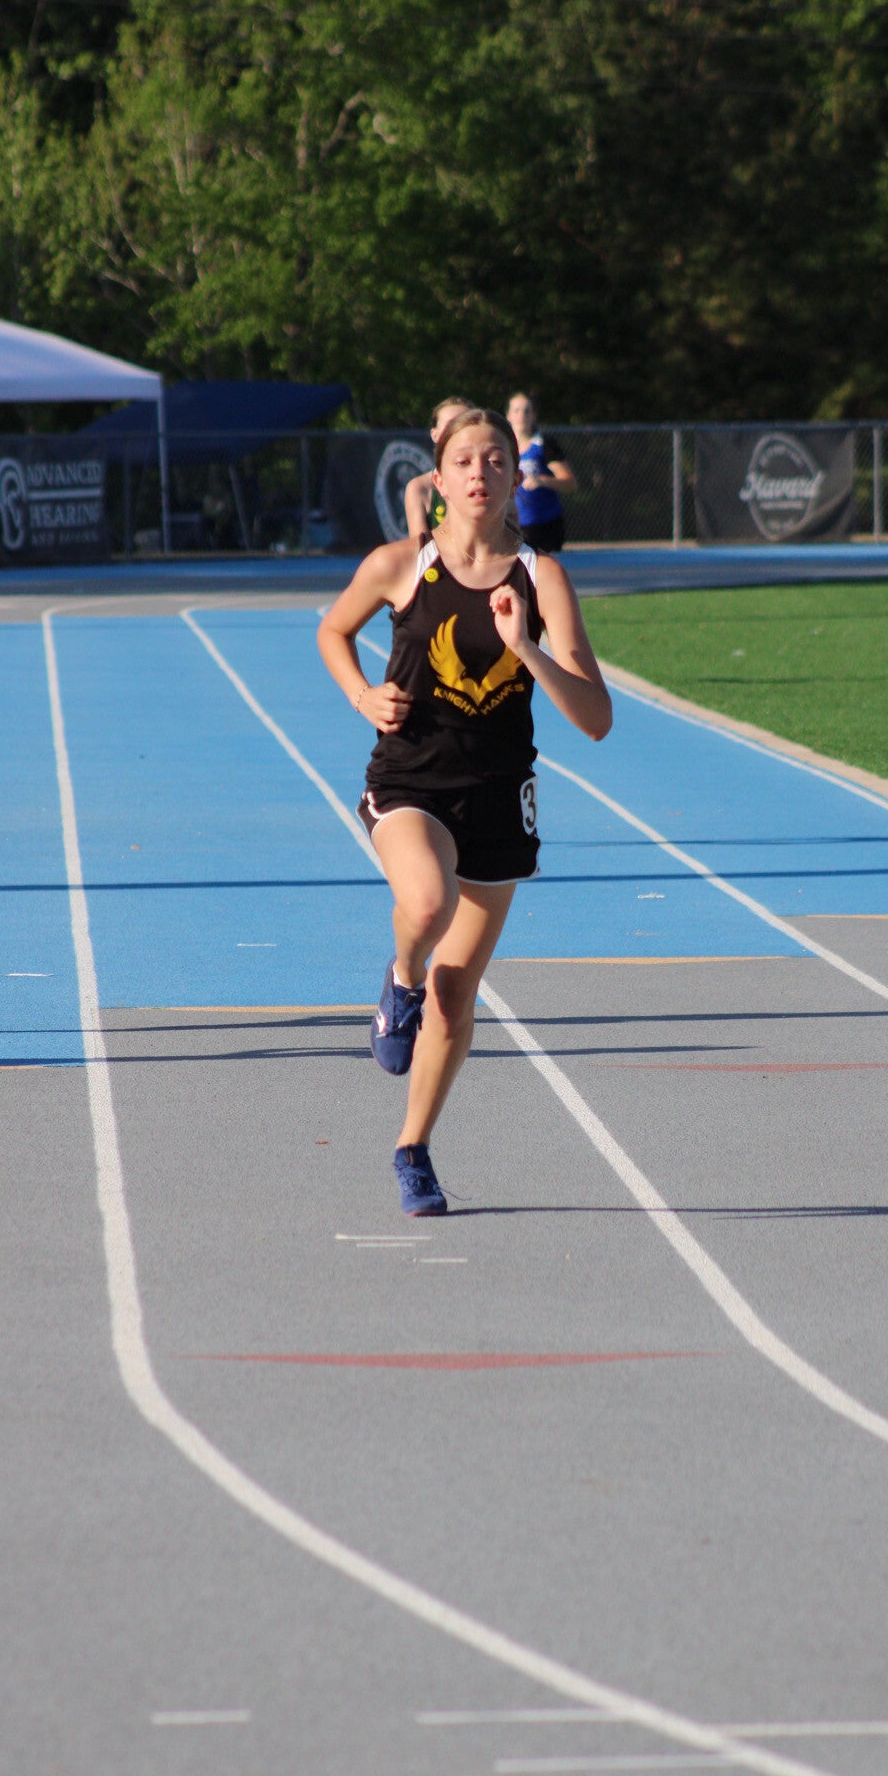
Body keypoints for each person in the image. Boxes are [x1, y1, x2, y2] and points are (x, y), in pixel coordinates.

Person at [317, 408, 611, 1216]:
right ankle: (400, 977)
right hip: (410, 780)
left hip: (499, 797)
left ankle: (412, 1149)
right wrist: (361, 694)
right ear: (439, 478)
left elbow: (595, 718)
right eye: (465, 459)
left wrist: (527, 650)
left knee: (458, 996)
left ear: (516, 477)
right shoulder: (400, 564)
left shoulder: (543, 579)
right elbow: (333, 631)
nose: (480, 471)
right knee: (426, 903)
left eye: (496, 459)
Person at [506, 391, 577, 553]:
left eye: (527, 411)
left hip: (545, 527)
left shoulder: (543, 445)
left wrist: (543, 480)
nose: (521, 416)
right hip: (512, 526)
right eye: (516, 411)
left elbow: (570, 483)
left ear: (534, 416)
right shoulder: (503, 447)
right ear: (508, 416)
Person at [403, 396, 470, 540]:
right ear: (434, 434)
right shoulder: (419, 488)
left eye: (465, 424)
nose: (457, 430)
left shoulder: (490, 480)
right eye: (450, 424)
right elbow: (420, 548)